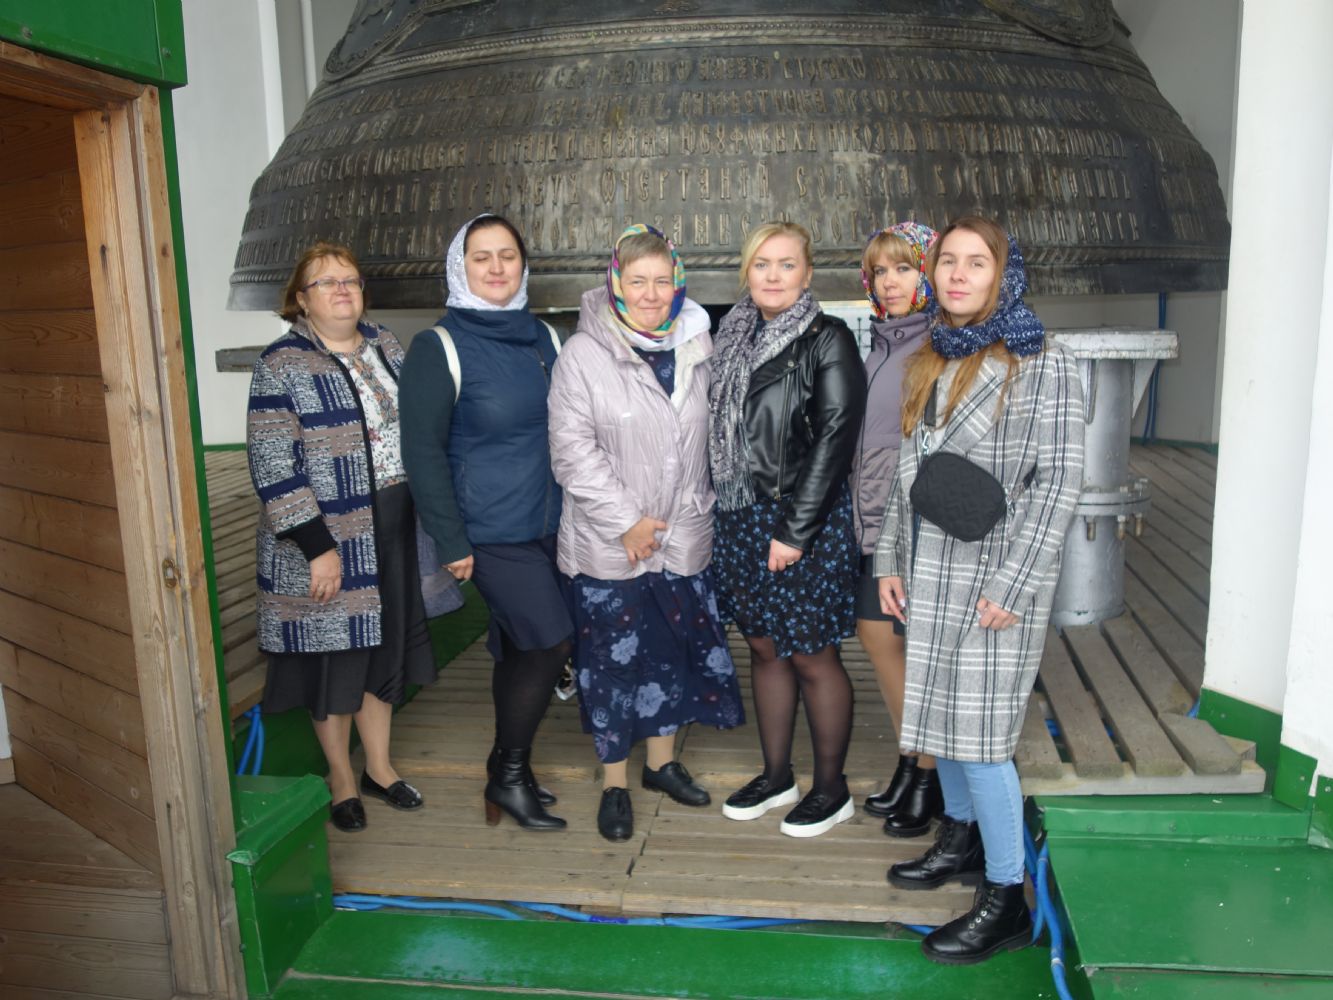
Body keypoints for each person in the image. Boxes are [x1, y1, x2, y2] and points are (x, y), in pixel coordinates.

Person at [875, 216, 1084, 963]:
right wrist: (888, 559)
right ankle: (960, 840)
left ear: (1004, 275)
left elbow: (1058, 483)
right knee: (942, 721)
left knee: (985, 740)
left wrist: (1013, 585)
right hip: (930, 567)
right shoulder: (934, 352)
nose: (958, 275)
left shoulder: (1044, 360)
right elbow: (909, 468)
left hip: (995, 576)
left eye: (976, 263)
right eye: (948, 262)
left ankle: (1005, 900)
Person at [548, 224, 743, 842]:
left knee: (668, 653)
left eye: (663, 281)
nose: (652, 294)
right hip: (611, 543)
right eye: (638, 281)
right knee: (611, 665)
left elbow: (709, 441)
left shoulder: (697, 343)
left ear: (678, 285)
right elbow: (572, 452)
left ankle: (660, 766)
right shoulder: (583, 354)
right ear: (616, 284)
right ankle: (615, 784)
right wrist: (627, 523)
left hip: (681, 536)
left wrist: (691, 512)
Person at [247, 241, 433, 833]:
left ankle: (379, 767)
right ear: (301, 300)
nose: (342, 290)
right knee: (336, 659)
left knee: (384, 649)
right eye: (326, 282)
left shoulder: (386, 344)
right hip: (329, 535)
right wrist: (317, 548)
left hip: (393, 522)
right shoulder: (281, 363)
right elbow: (273, 465)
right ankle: (341, 779)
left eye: (350, 279)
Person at [400, 214, 570, 831]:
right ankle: (510, 774)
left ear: (523, 265)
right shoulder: (438, 347)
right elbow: (422, 451)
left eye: (507, 255)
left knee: (521, 648)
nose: (496, 267)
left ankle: (505, 768)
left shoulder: (545, 338)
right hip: (489, 531)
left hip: (552, 525)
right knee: (550, 641)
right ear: (460, 267)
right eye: (481, 257)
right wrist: (450, 539)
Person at [708, 221, 868, 838]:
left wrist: (796, 532)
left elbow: (835, 439)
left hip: (801, 521)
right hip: (741, 518)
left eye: (787, 264)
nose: (773, 276)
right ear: (746, 271)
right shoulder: (730, 334)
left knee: (812, 655)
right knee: (765, 648)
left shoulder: (828, 339)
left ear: (808, 273)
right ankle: (777, 776)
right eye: (761, 264)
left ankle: (832, 789)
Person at [851, 223, 944, 837]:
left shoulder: (935, 346)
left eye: (904, 268)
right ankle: (911, 762)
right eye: (881, 271)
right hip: (871, 517)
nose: (890, 282)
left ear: (928, 275)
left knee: (903, 643)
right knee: (877, 636)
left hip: (910, 523)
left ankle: (928, 777)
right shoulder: (883, 342)